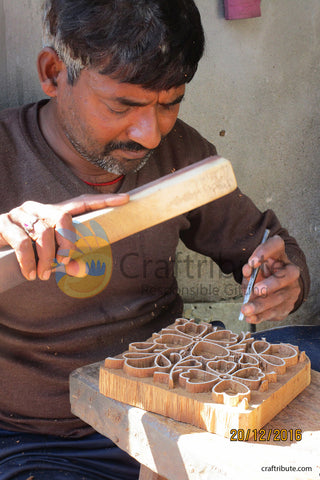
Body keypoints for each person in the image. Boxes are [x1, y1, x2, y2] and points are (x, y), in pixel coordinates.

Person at [0, 0, 309, 479]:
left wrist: (282, 275)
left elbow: (264, 242)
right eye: (122, 106)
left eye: (170, 103)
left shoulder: (179, 152)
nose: (149, 134)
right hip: (44, 442)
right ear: (54, 72)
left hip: (172, 414)